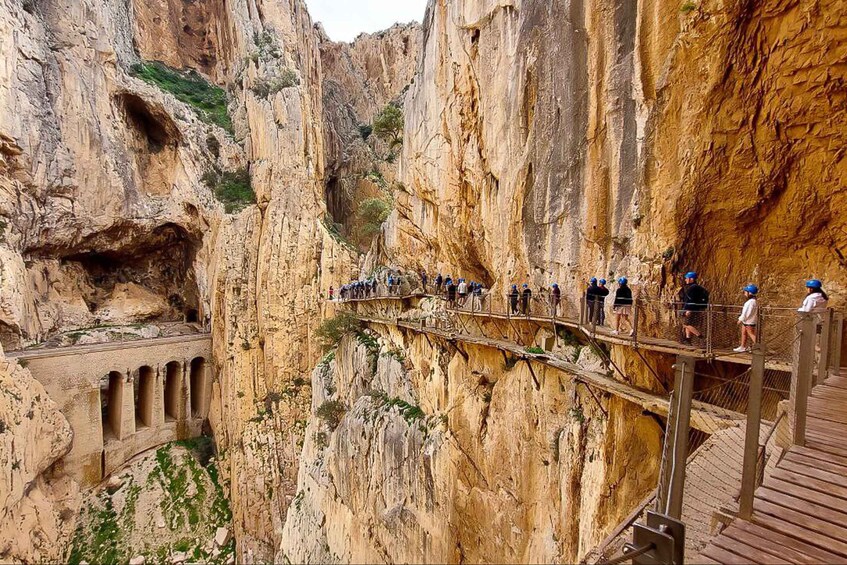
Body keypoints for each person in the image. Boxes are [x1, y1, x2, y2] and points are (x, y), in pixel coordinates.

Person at [679, 271, 709, 343]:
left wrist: (688, 309)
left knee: (685, 323)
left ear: (691, 279)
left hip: (691, 309)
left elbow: (691, 300)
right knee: (689, 323)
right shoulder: (697, 287)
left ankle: (700, 336)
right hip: (696, 308)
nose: (685, 280)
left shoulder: (692, 288)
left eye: (687, 278)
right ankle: (688, 339)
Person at [734, 284, 759, 352]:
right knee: (744, 333)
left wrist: (740, 319)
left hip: (749, 321)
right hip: (748, 321)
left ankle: (760, 347)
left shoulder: (750, 302)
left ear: (750, 293)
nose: (744, 293)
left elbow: (746, 313)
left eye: (746, 291)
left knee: (751, 334)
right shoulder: (754, 301)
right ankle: (742, 346)